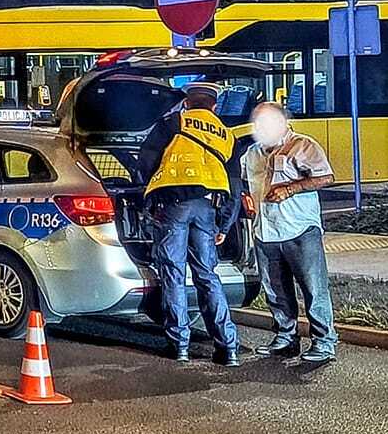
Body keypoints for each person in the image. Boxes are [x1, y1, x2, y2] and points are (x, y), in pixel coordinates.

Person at [138, 82, 245, 366]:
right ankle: (228, 348)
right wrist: (223, 226)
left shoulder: (174, 122)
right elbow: (234, 186)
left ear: (187, 102)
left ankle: (179, 345)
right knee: (208, 276)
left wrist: (147, 193)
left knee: (173, 274)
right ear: (214, 106)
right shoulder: (226, 135)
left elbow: (145, 162)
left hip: (173, 207)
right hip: (207, 209)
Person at [242, 100, 339, 364]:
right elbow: (243, 185)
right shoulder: (251, 153)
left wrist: (290, 188)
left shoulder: (302, 145)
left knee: (313, 289)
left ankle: (324, 341)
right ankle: (285, 338)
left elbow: (326, 177)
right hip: (265, 230)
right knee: (275, 290)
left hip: (300, 229)